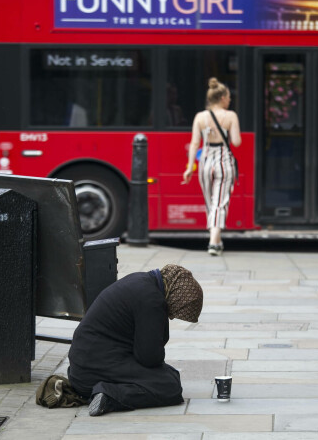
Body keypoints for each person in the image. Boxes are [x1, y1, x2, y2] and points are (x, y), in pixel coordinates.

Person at [67, 264, 203, 416]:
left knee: (171, 374)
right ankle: (109, 396)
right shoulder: (152, 301)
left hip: (82, 368)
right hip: (92, 371)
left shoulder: (142, 282)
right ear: (175, 298)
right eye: (175, 312)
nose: (171, 316)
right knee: (170, 386)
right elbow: (149, 358)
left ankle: (106, 391)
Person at [182, 78, 242, 256]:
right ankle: (213, 242)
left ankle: (216, 239)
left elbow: (194, 144)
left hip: (205, 161)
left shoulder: (200, 117)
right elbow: (236, 142)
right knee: (220, 202)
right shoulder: (231, 116)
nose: (230, 100)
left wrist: (189, 167)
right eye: (229, 97)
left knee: (211, 202)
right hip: (224, 160)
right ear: (222, 98)